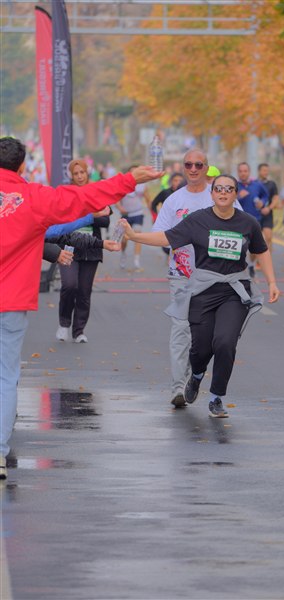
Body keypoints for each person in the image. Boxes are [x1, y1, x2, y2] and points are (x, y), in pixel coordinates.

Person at [0, 136, 162, 478]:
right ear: (22, 166)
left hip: (12, 300)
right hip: (10, 301)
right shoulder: (34, 197)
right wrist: (129, 179)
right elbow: (82, 198)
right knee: (5, 377)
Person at [120, 174, 280, 418]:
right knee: (200, 349)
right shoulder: (198, 220)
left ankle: (216, 397)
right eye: (219, 189)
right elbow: (167, 237)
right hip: (203, 290)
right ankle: (195, 376)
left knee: (225, 342)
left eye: (229, 189)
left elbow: (262, 251)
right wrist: (134, 237)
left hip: (234, 291)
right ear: (212, 193)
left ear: (235, 194)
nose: (223, 192)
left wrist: (272, 282)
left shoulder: (248, 223)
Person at [152, 149, 241, 409]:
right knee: (181, 329)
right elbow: (160, 234)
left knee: (207, 336)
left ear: (206, 167)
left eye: (198, 165)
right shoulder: (174, 200)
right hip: (182, 276)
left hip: (217, 280)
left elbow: (242, 228)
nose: (193, 169)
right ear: (183, 167)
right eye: (188, 164)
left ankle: (196, 374)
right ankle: (178, 387)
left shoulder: (221, 195)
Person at [55, 160, 112, 343]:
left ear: (88, 173)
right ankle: (64, 324)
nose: (80, 176)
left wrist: (82, 214)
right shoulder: (66, 193)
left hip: (91, 248)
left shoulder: (96, 193)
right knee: (69, 285)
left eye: (82, 172)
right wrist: (91, 214)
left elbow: (105, 221)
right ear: (71, 176)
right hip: (68, 247)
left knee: (84, 291)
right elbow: (61, 217)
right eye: (76, 173)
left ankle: (79, 331)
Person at [115, 167, 151, 271]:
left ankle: (136, 260)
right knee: (125, 239)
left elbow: (148, 199)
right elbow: (117, 199)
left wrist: (152, 214)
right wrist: (120, 208)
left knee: (137, 236)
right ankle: (123, 254)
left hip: (138, 214)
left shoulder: (142, 185)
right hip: (126, 215)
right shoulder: (123, 185)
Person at [237, 162, 269, 278]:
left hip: (255, 220)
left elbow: (265, 195)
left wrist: (262, 202)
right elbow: (227, 200)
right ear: (238, 172)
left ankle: (251, 264)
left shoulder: (257, 184)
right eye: (240, 171)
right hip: (239, 221)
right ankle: (239, 269)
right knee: (239, 247)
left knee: (254, 248)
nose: (243, 173)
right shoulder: (235, 186)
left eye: (245, 171)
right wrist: (239, 197)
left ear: (249, 172)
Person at [257, 163, 279, 252]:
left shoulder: (272, 184)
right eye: (264, 170)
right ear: (259, 171)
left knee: (268, 237)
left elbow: (276, 198)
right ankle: (254, 259)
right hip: (256, 215)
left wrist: (269, 208)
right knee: (256, 240)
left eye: (267, 171)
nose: (266, 172)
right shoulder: (254, 183)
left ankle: (267, 259)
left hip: (267, 214)